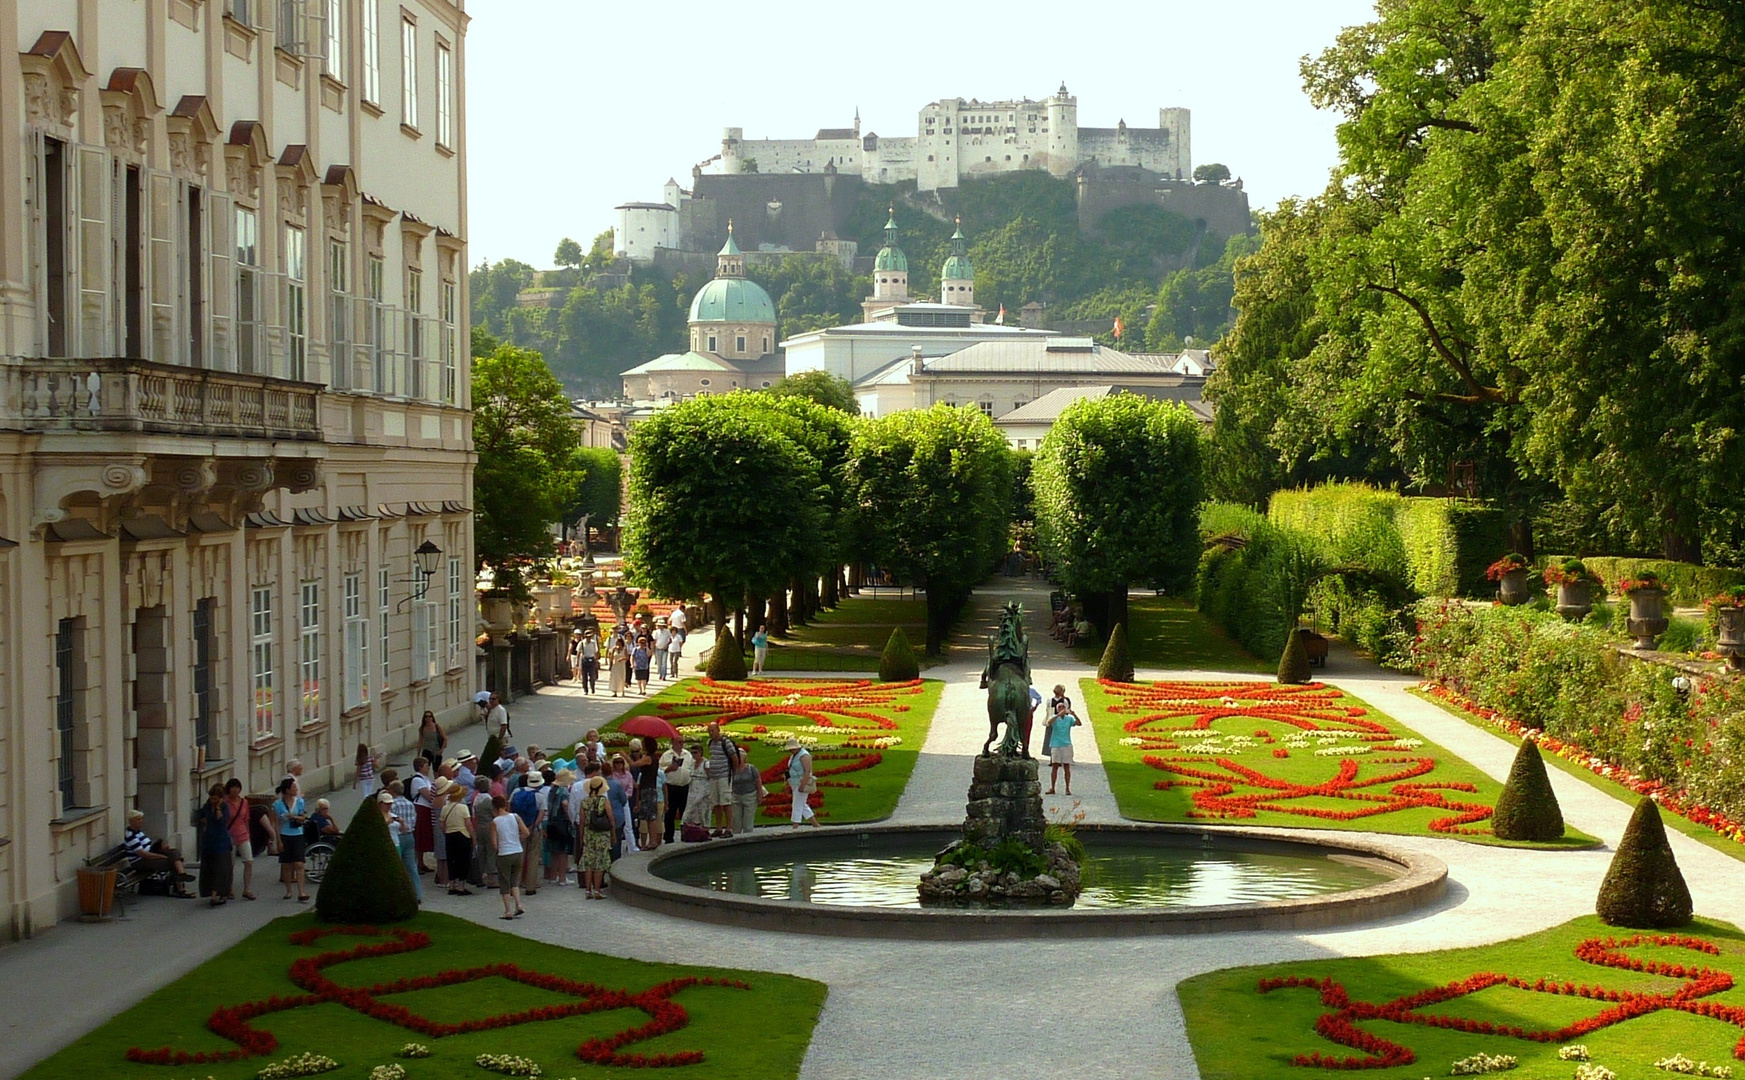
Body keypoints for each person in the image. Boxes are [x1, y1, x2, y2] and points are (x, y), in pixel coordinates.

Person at [577, 765, 614, 899]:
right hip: (602, 835)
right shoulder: (604, 801)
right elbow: (611, 819)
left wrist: (581, 837)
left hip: (588, 834)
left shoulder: (584, 802)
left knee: (589, 862)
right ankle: (597, 889)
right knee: (600, 861)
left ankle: (588, 890)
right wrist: (613, 834)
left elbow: (581, 822)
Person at [490, 795, 528, 919]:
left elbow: (494, 843)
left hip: (504, 853)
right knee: (515, 881)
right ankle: (519, 904)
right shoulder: (515, 817)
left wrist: (498, 849)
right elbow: (526, 832)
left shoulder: (495, 822)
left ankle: (507, 910)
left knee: (504, 882)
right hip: (517, 850)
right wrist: (517, 839)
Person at [272, 777, 310, 902]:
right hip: (285, 835)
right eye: (293, 787)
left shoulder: (299, 802)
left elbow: (303, 817)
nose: (295, 789)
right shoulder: (277, 805)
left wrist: (295, 817)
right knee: (287, 865)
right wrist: (278, 840)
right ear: (287, 790)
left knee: (299, 863)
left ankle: (301, 891)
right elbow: (277, 823)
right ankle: (289, 890)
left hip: (297, 834)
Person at [196, 784, 234, 907]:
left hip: (221, 841)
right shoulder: (207, 807)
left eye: (216, 799)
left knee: (221, 868)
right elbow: (200, 816)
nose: (213, 801)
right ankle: (211, 893)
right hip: (209, 840)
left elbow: (222, 821)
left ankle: (220, 893)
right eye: (212, 798)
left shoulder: (224, 807)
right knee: (210, 868)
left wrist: (218, 809)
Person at [509, 769, 545, 894]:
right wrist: (533, 826)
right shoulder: (540, 796)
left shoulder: (516, 792)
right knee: (533, 857)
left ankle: (515, 885)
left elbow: (510, 808)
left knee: (519, 857)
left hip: (518, 827)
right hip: (534, 828)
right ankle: (530, 886)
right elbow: (541, 814)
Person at [704, 722, 741, 838]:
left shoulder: (726, 742)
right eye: (709, 731)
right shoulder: (710, 743)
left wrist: (733, 772)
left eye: (712, 730)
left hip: (724, 776)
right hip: (714, 777)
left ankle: (729, 828)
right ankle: (719, 828)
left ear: (718, 730)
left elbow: (734, 758)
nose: (711, 733)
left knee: (726, 802)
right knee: (716, 803)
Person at [387, 780, 421, 902]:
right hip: (409, 835)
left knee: (398, 867)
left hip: (398, 836)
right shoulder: (410, 803)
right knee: (412, 866)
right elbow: (414, 820)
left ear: (393, 791)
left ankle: (399, 895)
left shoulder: (393, 805)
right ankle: (417, 894)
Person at [222, 778, 256, 901]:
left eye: (237, 787)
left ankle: (247, 889)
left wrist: (249, 834)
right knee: (230, 864)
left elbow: (246, 819)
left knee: (249, 861)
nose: (235, 790)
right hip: (229, 835)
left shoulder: (244, 802)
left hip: (242, 834)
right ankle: (229, 888)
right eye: (233, 787)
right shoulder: (225, 803)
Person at [441, 783, 475, 896]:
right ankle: (461, 886)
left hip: (449, 835)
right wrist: (473, 837)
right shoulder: (463, 807)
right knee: (463, 860)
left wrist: (446, 832)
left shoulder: (445, 808)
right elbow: (468, 824)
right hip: (462, 834)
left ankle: (451, 884)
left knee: (451, 860)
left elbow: (442, 824)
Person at [628, 739, 661, 850]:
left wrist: (623, 754)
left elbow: (633, 764)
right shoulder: (653, 757)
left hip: (648, 789)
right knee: (649, 816)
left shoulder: (648, 758)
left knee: (650, 816)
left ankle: (652, 841)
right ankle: (652, 840)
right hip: (650, 788)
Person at [544, 769, 575, 885]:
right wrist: (569, 817)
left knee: (554, 851)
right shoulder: (563, 791)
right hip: (561, 823)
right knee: (562, 851)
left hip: (551, 822)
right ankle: (562, 878)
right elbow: (565, 804)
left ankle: (553, 876)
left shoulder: (552, 790)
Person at [659, 735, 692, 844]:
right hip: (671, 787)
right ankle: (669, 838)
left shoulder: (687, 754)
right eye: (678, 742)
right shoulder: (666, 755)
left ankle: (685, 835)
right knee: (670, 813)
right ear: (672, 742)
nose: (681, 744)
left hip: (685, 787)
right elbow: (659, 772)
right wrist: (669, 768)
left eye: (682, 741)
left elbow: (691, 768)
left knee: (685, 813)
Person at [1045, 700, 1081, 795]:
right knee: (1055, 767)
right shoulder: (1054, 718)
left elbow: (1079, 723)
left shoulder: (1069, 719)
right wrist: (1057, 715)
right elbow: (1048, 723)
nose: (1061, 709)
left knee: (1066, 767)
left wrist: (1074, 714)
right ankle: (1052, 787)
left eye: (1062, 707)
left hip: (1066, 744)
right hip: (1056, 744)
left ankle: (1067, 788)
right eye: (1059, 707)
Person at [784, 737, 818, 827]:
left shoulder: (804, 756)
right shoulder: (794, 755)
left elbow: (807, 771)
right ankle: (815, 824)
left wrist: (802, 785)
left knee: (797, 804)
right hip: (794, 782)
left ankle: (795, 825)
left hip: (801, 782)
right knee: (802, 804)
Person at [607, 755, 635, 859]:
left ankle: (632, 847)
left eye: (620, 762)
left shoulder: (628, 775)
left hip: (624, 801)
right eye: (616, 762)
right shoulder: (612, 776)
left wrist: (624, 796)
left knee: (628, 825)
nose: (618, 765)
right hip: (614, 802)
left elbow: (630, 789)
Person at [730, 751, 766, 835]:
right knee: (736, 821)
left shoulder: (751, 768)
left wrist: (759, 795)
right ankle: (736, 838)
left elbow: (758, 782)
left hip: (750, 796)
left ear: (744, 758)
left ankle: (748, 838)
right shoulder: (732, 769)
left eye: (740, 757)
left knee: (748, 821)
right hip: (736, 796)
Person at [470, 775, 497, 889]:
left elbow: (474, 814)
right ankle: (491, 879)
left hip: (479, 827)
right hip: (488, 826)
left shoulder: (476, 798)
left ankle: (481, 876)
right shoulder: (488, 800)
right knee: (490, 852)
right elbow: (494, 814)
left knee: (481, 851)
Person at [577, 630, 600, 694]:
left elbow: (595, 652)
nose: (589, 638)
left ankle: (592, 687)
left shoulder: (593, 643)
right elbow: (578, 652)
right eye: (587, 637)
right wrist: (577, 661)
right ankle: (585, 689)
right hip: (584, 659)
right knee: (584, 676)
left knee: (592, 676)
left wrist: (596, 661)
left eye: (590, 637)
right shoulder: (581, 643)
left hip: (592, 659)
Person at [606, 632, 628, 697]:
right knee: (614, 678)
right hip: (615, 665)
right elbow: (611, 658)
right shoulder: (614, 649)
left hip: (621, 666)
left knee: (621, 678)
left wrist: (622, 659)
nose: (617, 643)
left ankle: (622, 690)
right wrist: (612, 653)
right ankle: (615, 691)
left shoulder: (624, 649)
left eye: (618, 642)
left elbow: (627, 657)